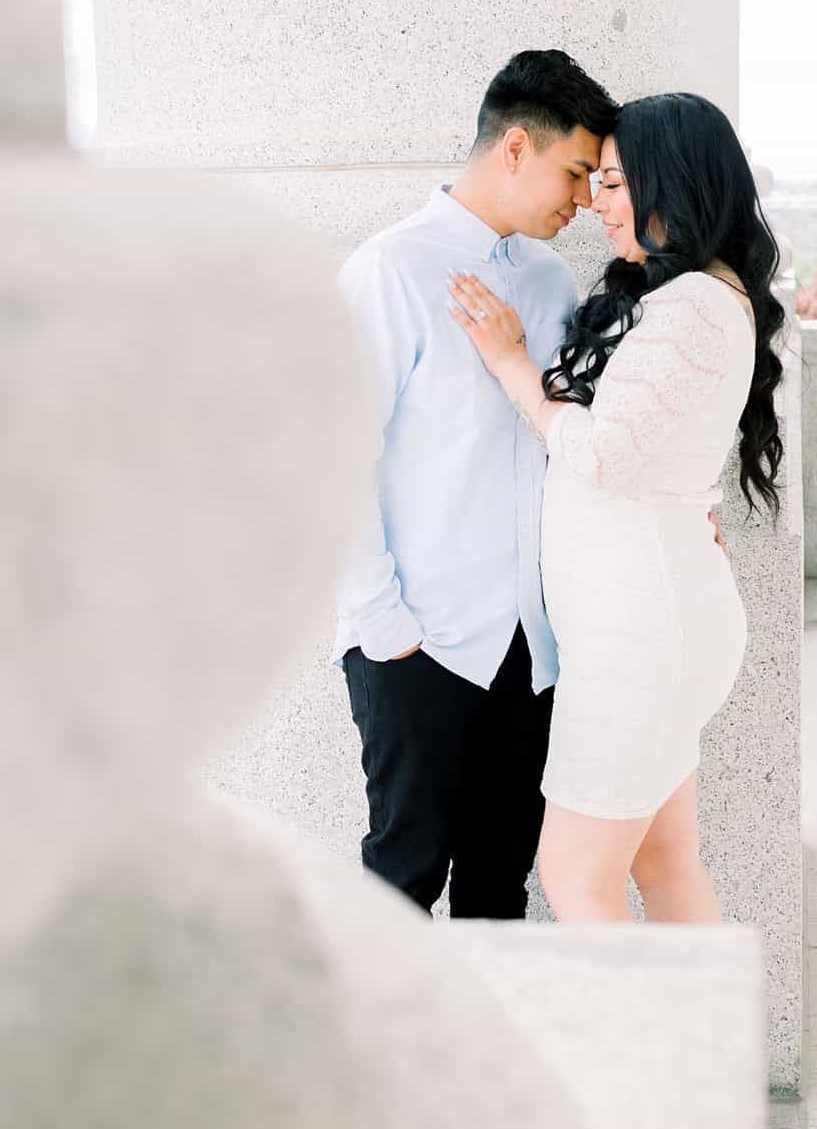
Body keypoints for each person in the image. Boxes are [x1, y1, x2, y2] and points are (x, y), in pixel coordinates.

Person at [447, 90, 785, 925]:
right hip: (644, 619)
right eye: (595, 181)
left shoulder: (693, 306)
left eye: (617, 183)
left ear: (677, 181)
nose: (599, 204)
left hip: (643, 632)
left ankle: (634, 1062)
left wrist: (510, 364)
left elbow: (601, 455)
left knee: (573, 873)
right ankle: (707, 1058)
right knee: (664, 861)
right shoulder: (677, 297)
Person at [332, 49, 618, 918]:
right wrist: (385, 628)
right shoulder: (390, 271)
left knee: (501, 886)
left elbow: (565, 439)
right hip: (423, 641)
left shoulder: (551, 279)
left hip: (532, 651)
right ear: (517, 148)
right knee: (401, 881)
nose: (581, 199)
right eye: (575, 171)